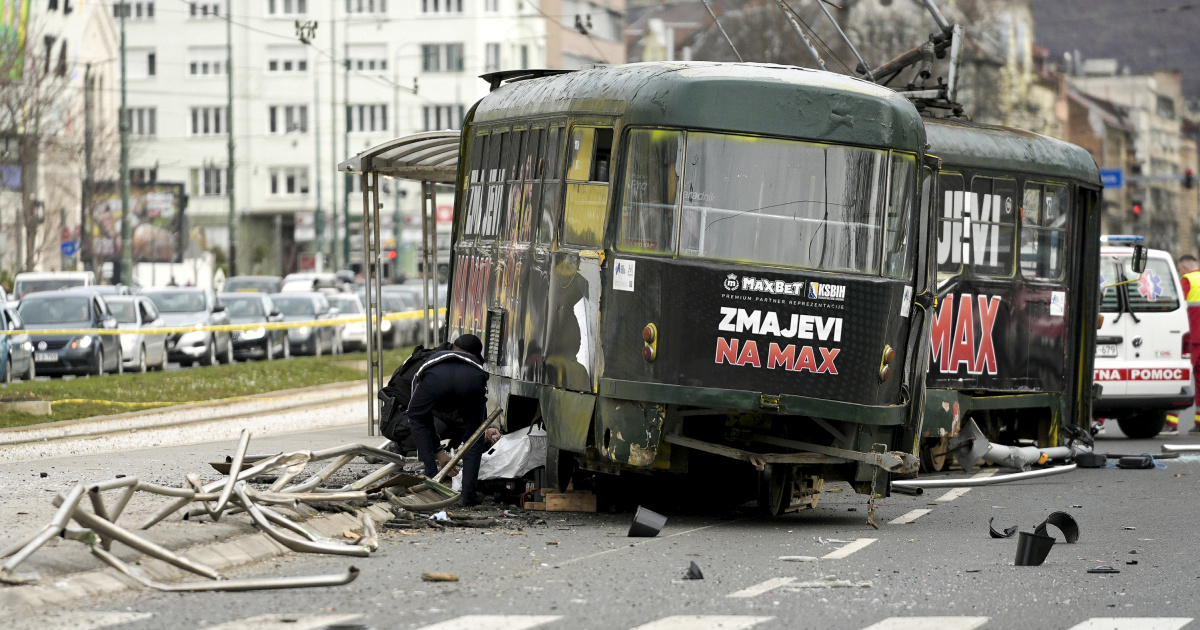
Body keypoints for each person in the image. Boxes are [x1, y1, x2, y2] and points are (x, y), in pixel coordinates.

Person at [407, 334, 490, 505]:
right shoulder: (475, 364)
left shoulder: (433, 358)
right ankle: (468, 495)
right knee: (475, 434)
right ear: (475, 354)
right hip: (471, 380)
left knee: (417, 418)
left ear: (452, 348)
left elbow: (418, 416)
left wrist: (437, 451)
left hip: (435, 380)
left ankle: (431, 478)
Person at [1172, 255, 1200, 434]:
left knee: (1176, 378)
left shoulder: (1187, 281)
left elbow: (1175, 306)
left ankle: (1171, 423)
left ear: (1183, 268)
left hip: (1192, 339)